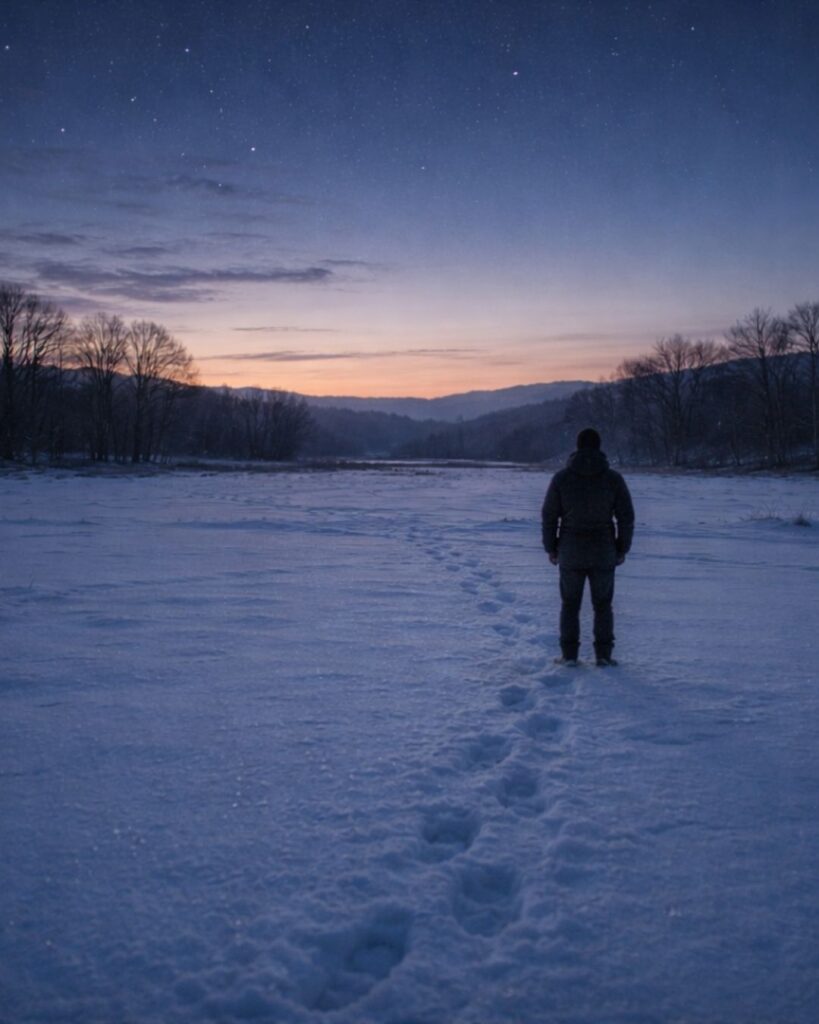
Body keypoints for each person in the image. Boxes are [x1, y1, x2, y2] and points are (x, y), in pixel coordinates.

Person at [541, 428, 634, 667]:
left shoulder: (562, 478)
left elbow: (550, 516)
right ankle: (604, 655)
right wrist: (622, 548)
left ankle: (569, 655)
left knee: (570, 604)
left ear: (577, 446)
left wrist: (551, 547)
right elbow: (626, 516)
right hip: (603, 550)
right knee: (603, 605)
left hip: (571, 550)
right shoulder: (613, 479)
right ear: (599, 446)